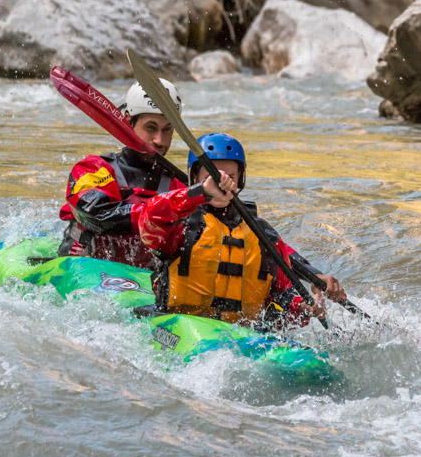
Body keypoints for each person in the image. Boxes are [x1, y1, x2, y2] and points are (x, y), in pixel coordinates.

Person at [139, 132, 346, 328]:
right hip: (180, 327)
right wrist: (200, 193)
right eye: (213, 176)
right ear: (194, 179)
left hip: (241, 338)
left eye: (230, 176)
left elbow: (282, 297)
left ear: (240, 181)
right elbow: (148, 217)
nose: (222, 183)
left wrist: (303, 307)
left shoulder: (262, 234)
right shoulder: (178, 227)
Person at [58, 79, 186, 268]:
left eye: (167, 129)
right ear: (128, 122)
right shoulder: (92, 169)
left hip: (143, 283)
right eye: (150, 127)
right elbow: (94, 216)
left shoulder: (180, 187)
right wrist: (157, 212)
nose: (159, 140)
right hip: (85, 271)